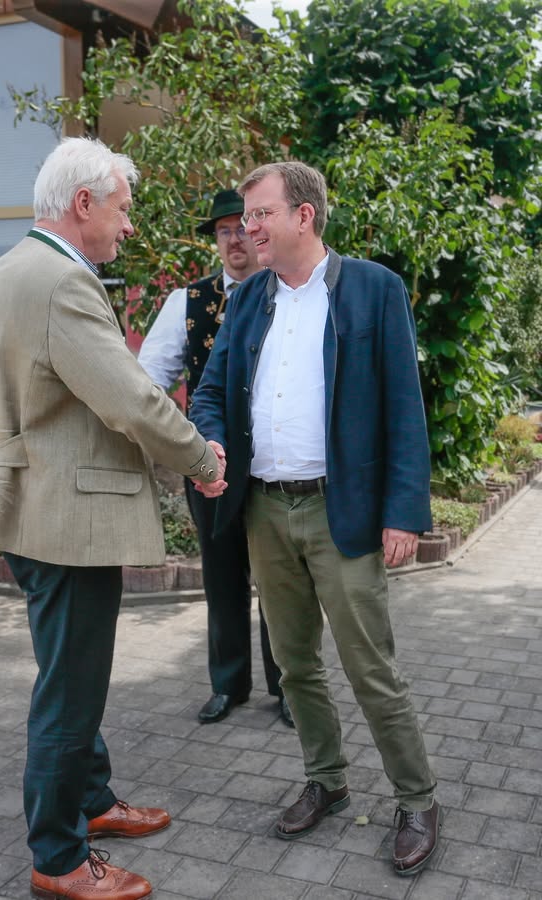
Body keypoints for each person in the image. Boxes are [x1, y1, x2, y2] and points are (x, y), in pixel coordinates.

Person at [0, 137, 226, 900]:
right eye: (123, 208)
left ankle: (94, 800)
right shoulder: (62, 284)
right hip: (68, 528)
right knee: (69, 694)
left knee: (66, 673)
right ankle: (59, 857)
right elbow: (131, 399)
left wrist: (9, 472)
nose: (128, 225)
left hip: (25, 518)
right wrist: (201, 460)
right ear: (83, 204)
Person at [190, 161, 440, 877]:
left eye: (261, 214)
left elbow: (404, 408)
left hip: (344, 510)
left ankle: (417, 799)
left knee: (369, 666)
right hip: (266, 509)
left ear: (304, 215)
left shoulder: (373, 289)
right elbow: (210, 391)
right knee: (295, 664)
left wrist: (403, 513)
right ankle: (326, 779)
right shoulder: (248, 299)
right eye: (245, 218)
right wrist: (210, 439)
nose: (248, 229)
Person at [138, 189, 292, 728]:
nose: (234, 239)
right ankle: (228, 684)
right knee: (221, 574)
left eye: (242, 227)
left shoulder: (287, 294)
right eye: (224, 231)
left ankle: (289, 686)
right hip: (210, 466)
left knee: (280, 579)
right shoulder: (189, 302)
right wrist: (183, 441)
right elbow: (147, 382)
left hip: (274, 464)